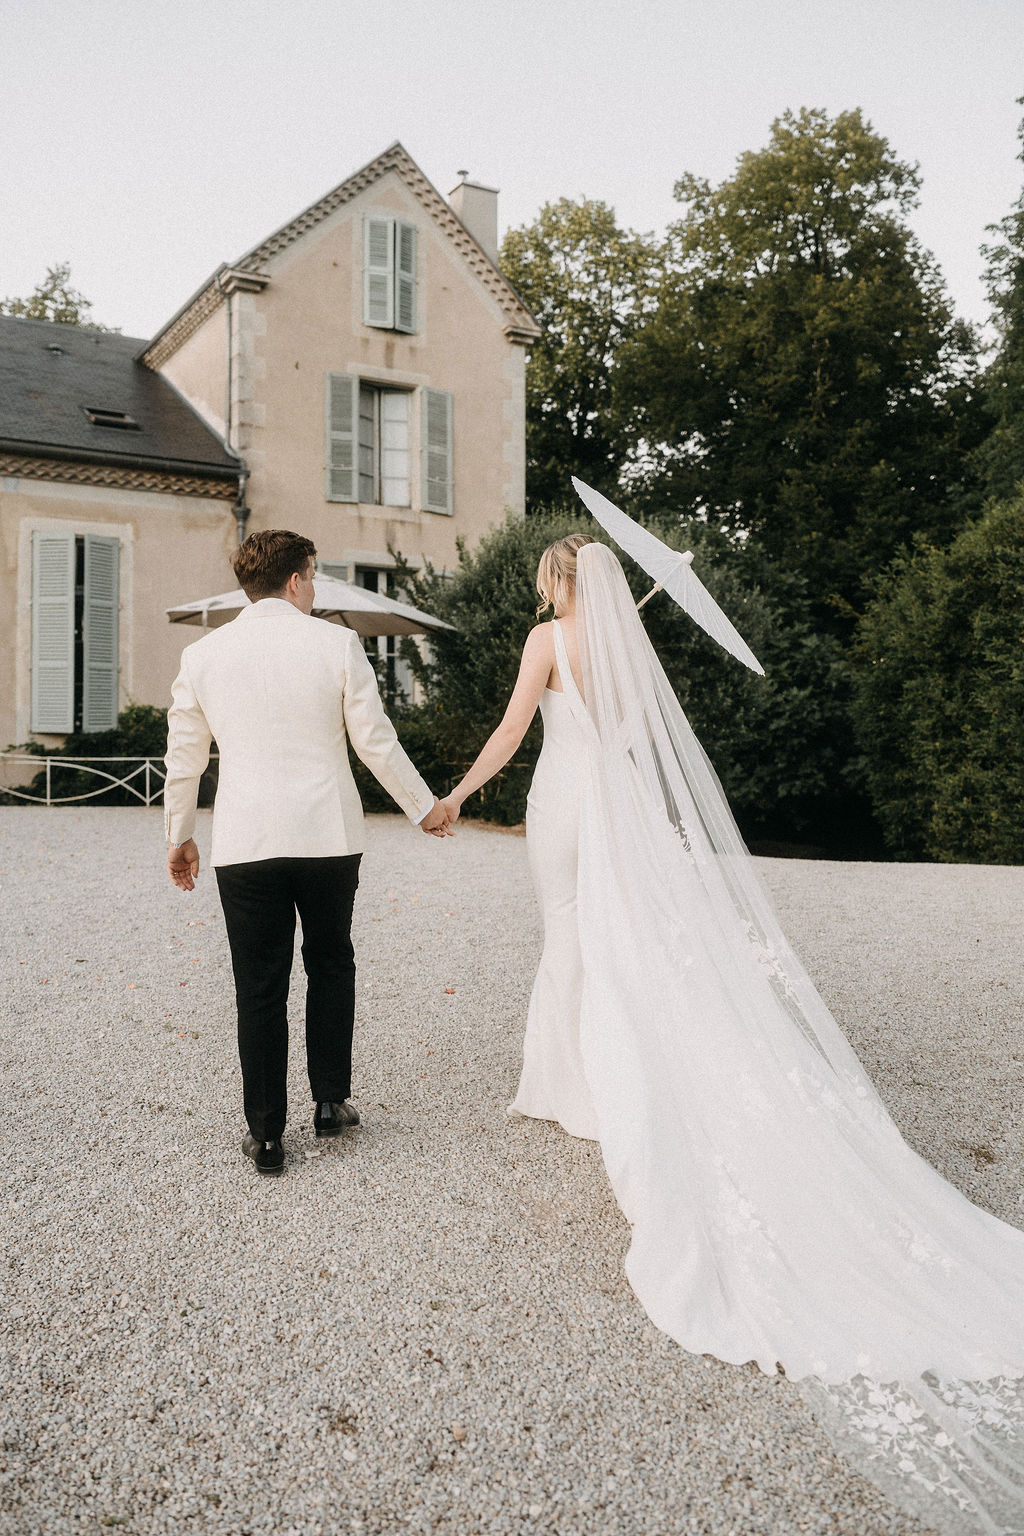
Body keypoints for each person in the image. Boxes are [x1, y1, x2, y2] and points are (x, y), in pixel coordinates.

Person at [440, 534, 1024, 1535]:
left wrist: (456, 793)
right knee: (629, 948)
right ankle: (577, 1079)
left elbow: (510, 731)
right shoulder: (630, 650)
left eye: (548, 573)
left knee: (571, 938)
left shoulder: (547, 639)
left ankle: (576, 1085)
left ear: (560, 580)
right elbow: (637, 739)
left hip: (565, 807)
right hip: (623, 807)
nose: (543, 585)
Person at [164, 529, 451, 1177]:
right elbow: (375, 741)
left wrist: (178, 835)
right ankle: (329, 1103)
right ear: (295, 580)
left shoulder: (203, 654)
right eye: (314, 577)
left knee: (259, 984)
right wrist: (424, 806)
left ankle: (266, 1136)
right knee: (331, 962)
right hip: (327, 836)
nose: (315, 589)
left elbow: (184, 759)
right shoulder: (337, 644)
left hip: (246, 842)